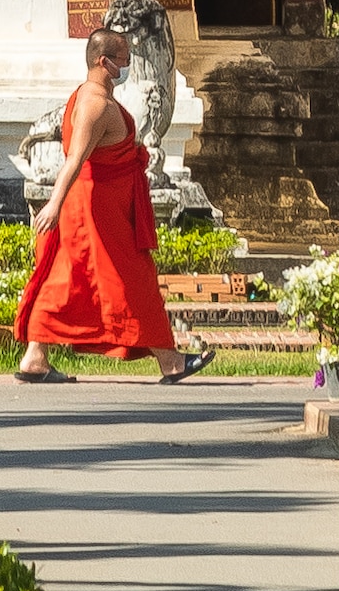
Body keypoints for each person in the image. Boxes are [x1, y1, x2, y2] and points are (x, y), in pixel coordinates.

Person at [12, 23, 209, 384]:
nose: (128, 66)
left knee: (67, 278)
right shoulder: (95, 105)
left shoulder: (90, 97)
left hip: (101, 206)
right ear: (104, 62)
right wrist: (54, 204)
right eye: (123, 60)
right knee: (135, 278)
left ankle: (35, 358)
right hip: (95, 212)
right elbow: (74, 159)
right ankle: (171, 362)